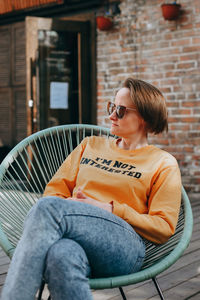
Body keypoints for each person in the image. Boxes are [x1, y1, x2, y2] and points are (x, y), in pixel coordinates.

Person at [1, 78, 181, 300]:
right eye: (111, 107)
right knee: (60, 255)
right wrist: (74, 209)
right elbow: (55, 191)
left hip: (125, 246)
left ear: (145, 117)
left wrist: (108, 209)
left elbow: (163, 227)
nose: (111, 116)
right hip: (75, 231)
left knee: (47, 209)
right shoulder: (90, 145)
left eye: (121, 110)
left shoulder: (163, 162)